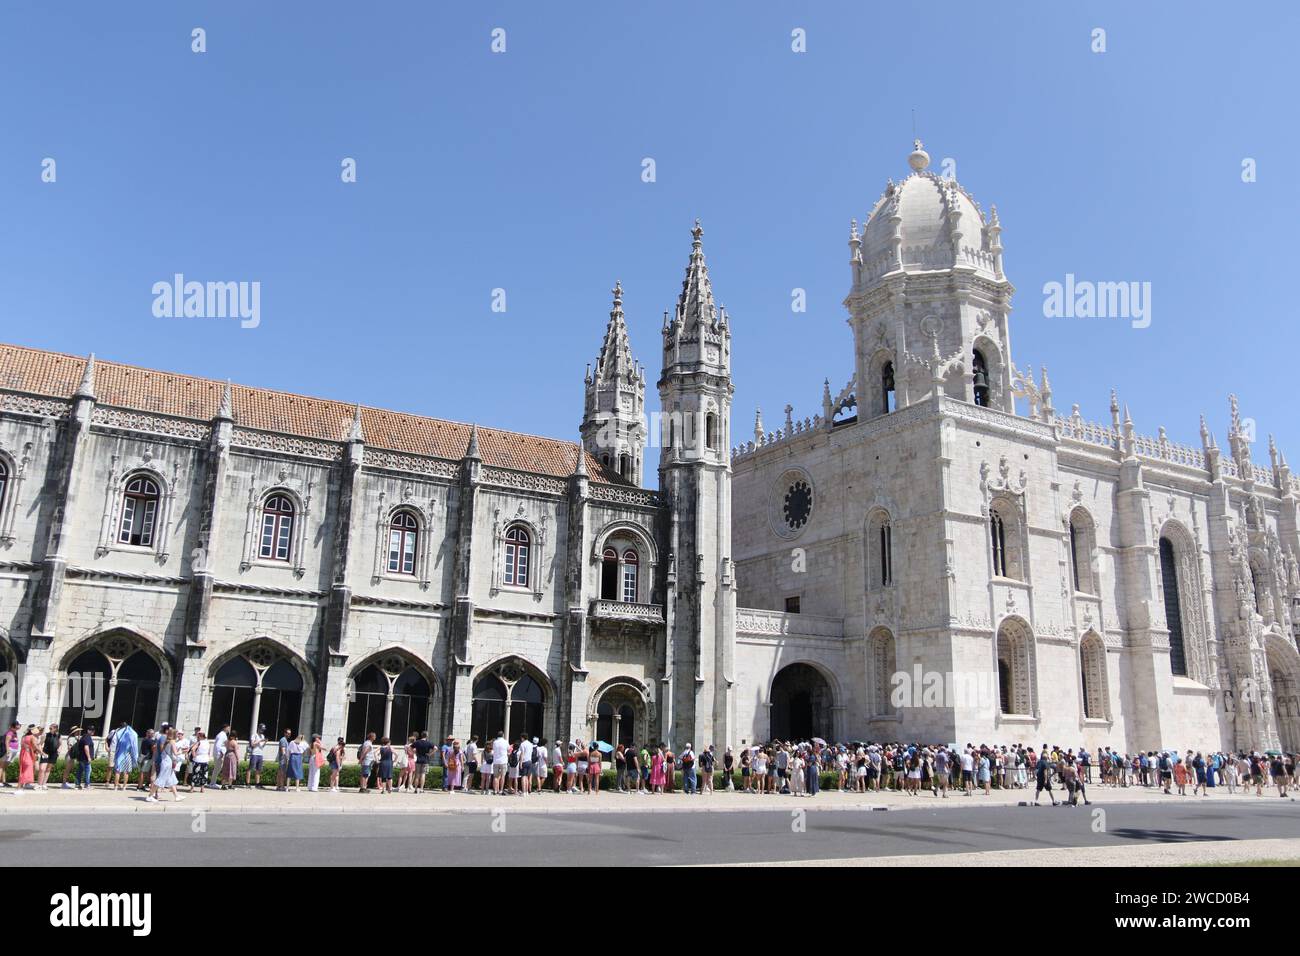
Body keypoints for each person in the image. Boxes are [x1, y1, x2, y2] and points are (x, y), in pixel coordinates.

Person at [147, 728, 184, 803]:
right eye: (177, 734)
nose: (178, 735)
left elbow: (162, 750)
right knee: (160, 779)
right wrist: (183, 751)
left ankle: (176, 796)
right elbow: (175, 753)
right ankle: (150, 796)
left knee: (171, 779)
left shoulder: (167, 740)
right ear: (174, 734)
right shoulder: (172, 741)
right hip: (167, 762)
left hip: (165, 761)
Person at [110, 721, 139, 790]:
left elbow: (114, 745)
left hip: (119, 755)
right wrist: (135, 756)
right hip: (128, 755)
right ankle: (124, 787)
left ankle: (115, 787)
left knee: (118, 771)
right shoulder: (132, 734)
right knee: (126, 772)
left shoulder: (118, 734)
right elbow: (134, 747)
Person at [37, 723, 60, 791]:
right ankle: (39, 784)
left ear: (55, 729)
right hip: (45, 753)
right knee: (42, 769)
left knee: (48, 769)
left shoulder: (58, 735)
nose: (50, 729)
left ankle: (44, 784)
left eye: (51, 728)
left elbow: (60, 744)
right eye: (49, 728)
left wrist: (59, 750)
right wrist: (41, 752)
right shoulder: (46, 735)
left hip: (53, 754)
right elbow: (40, 744)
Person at [16, 725, 37, 791]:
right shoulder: (32, 737)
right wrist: (41, 752)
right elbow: (35, 747)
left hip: (22, 754)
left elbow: (22, 745)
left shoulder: (24, 736)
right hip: (28, 755)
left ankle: (20, 787)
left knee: (22, 770)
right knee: (26, 770)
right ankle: (20, 787)